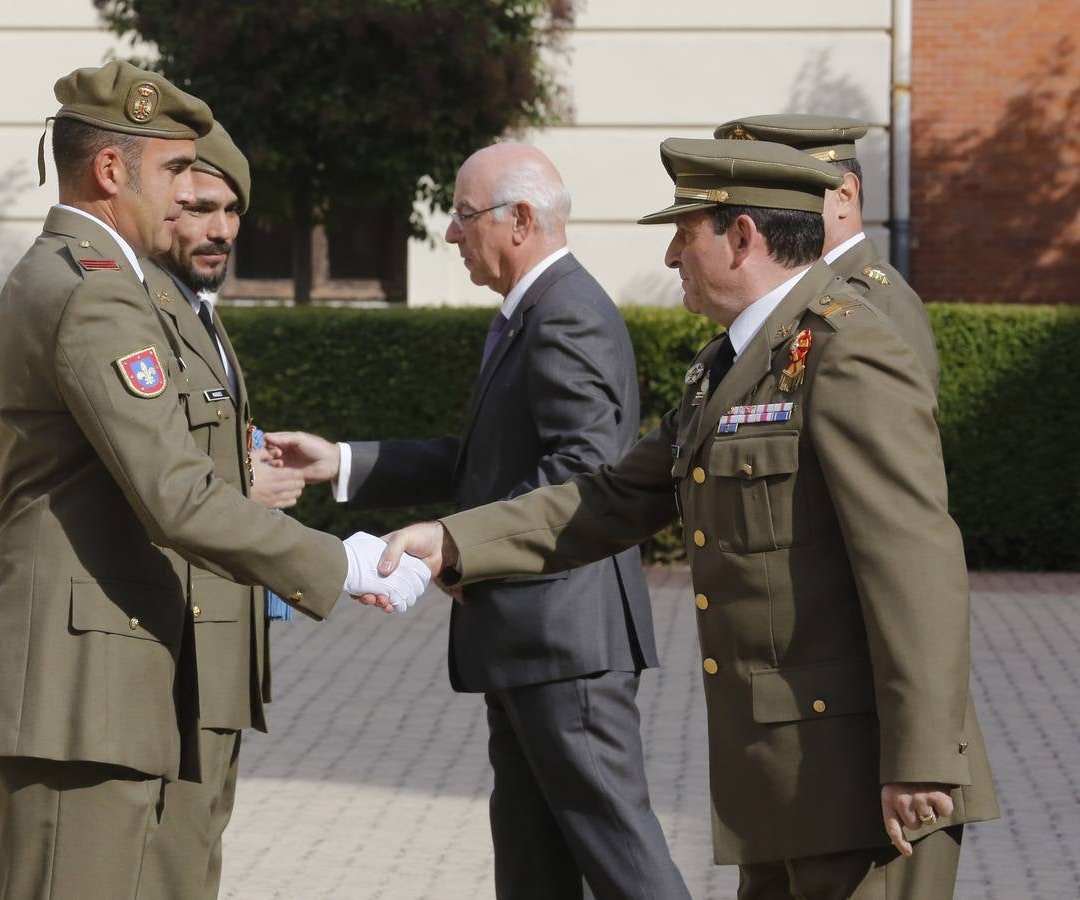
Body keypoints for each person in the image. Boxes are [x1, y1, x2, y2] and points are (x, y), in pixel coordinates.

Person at [377, 138, 999, 900]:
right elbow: (609, 497)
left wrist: (923, 758)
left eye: (683, 233)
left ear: (741, 238)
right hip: (777, 776)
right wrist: (452, 540)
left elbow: (914, 563)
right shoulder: (723, 369)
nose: (671, 257)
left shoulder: (848, 349)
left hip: (867, 779)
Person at [0, 61, 428, 900]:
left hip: (112, 678)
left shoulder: (115, 285)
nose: (185, 195)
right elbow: (174, 492)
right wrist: (343, 564)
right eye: (172, 173)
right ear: (111, 170)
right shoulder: (90, 292)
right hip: (74, 688)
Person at [269, 143, 689, 900]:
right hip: (532, 637)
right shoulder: (535, 309)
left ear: (520, 219)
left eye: (463, 216)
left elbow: (583, 474)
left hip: (564, 641)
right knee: (532, 862)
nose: (451, 235)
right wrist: (341, 461)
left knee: (625, 862)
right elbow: (486, 462)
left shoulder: (565, 315)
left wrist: (459, 548)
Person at [138, 120, 301, 899]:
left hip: (220, 638)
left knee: (198, 853)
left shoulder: (194, 305)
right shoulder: (139, 304)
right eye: (199, 207)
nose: (220, 229)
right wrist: (246, 482)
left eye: (231, 211)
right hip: (173, 637)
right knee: (167, 863)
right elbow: (153, 477)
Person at [715, 114, 938, 388]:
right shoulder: (795, 290)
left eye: (793, 194)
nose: (767, 212)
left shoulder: (881, 301)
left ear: (845, 194)